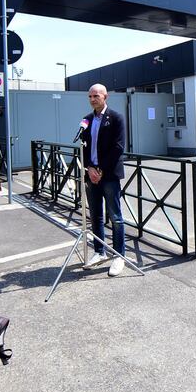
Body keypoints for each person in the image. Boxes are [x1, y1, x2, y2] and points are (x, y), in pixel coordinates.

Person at [81, 83, 127, 277]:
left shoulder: (116, 118)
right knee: (96, 216)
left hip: (108, 175)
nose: (92, 99)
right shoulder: (87, 119)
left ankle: (119, 256)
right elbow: (83, 145)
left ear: (105, 97)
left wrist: (100, 169)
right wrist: (90, 169)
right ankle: (100, 252)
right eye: (90, 96)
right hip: (91, 175)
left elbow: (118, 147)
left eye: (96, 96)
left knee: (115, 217)